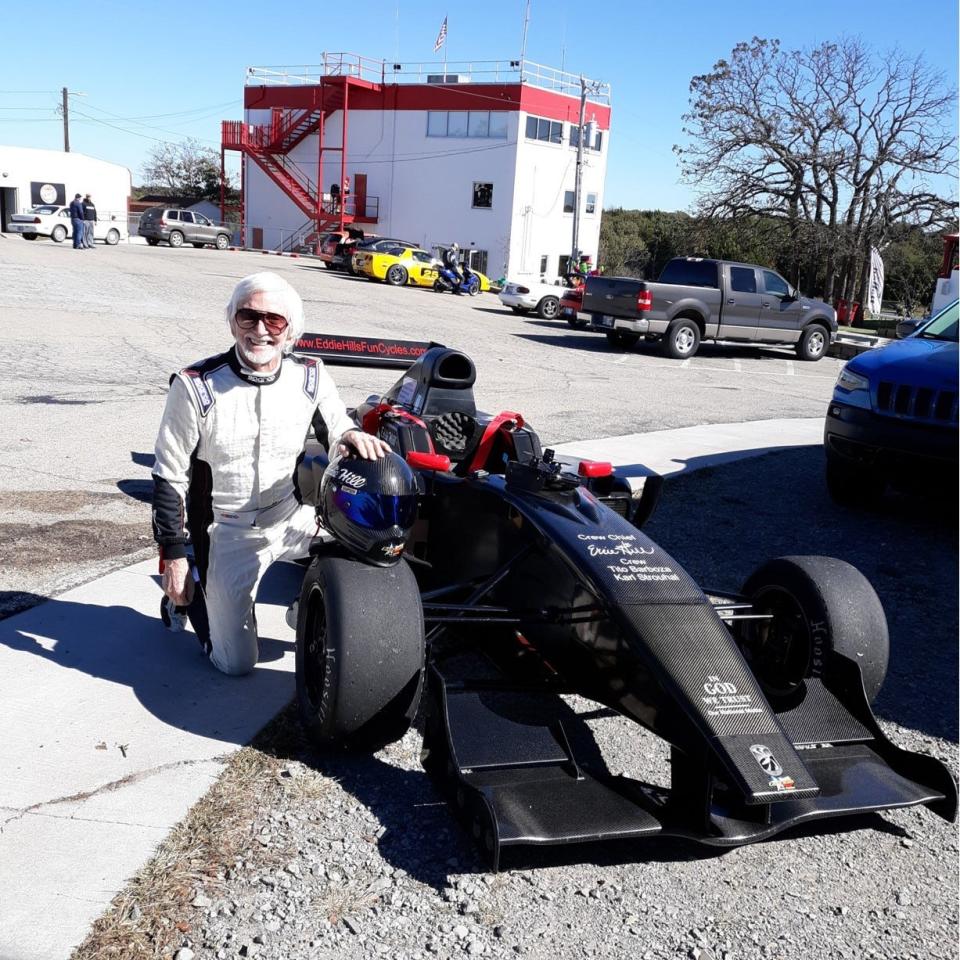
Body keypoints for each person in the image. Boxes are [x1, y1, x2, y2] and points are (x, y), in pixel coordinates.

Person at [152, 271, 391, 676]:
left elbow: (337, 428)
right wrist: (173, 555)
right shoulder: (196, 386)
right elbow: (169, 476)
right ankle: (195, 592)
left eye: (274, 320)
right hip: (228, 533)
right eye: (248, 316)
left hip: (293, 519)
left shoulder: (310, 375)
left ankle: (308, 609)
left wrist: (352, 436)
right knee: (236, 664)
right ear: (232, 321)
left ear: (290, 329)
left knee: (368, 545)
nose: (260, 330)